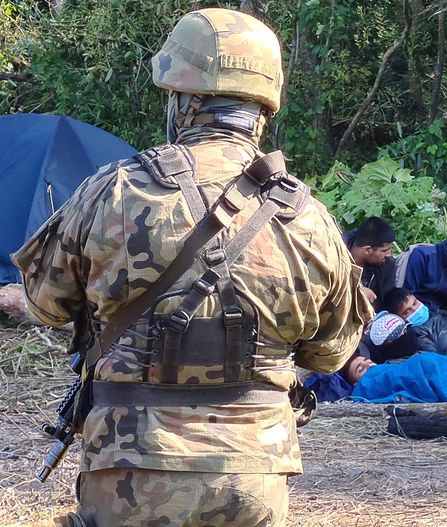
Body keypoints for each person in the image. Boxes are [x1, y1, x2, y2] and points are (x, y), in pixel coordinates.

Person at [12, 8, 370, 526]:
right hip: (254, 476)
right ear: (264, 107)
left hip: (132, 468)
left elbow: (46, 304)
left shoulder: (115, 190)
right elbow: (331, 354)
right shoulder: (308, 218)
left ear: (182, 101)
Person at [382, 287, 447, 359]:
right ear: (400, 319)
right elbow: (438, 360)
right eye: (407, 311)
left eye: (415, 303)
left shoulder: (436, 312)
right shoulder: (416, 335)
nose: (416, 310)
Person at [343, 216, 397, 310]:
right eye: (385, 250)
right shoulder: (336, 256)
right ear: (367, 250)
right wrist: (357, 291)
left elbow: (387, 301)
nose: (389, 255)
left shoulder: (388, 264)